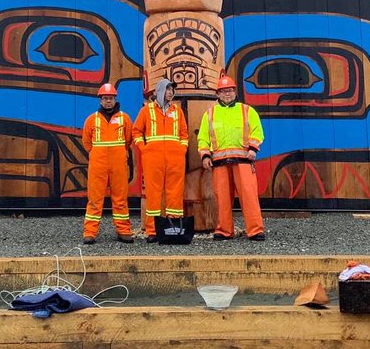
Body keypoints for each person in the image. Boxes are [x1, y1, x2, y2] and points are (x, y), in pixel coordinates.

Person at [197, 75, 266, 241]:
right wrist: (205, 155)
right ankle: (224, 230)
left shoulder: (247, 110)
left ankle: (255, 230)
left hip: (243, 161)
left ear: (235, 92)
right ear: (218, 94)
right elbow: (203, 137)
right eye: (223, 91)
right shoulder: (210, 114)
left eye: (230, 90)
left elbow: (257, 131)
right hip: (219, 163)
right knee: (222, 199)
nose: (227, 94)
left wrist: (253, 148)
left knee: (249, 196)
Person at [132, 77, 189, 241]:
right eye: (168, 89)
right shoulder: (146, 110)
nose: (170, 93)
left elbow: (184, 134)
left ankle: (173, 229)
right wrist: (144, 149)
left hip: (175, 159)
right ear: (160, 91)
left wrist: (181, 149)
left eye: (172, 90)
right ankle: (152, 231)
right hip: (153, 159)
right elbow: (136, 132)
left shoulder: (177, 111)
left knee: (175, 193)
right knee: (153, 193)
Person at [81, 83, 134, 244]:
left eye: (110, 98)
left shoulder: (125, 118)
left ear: (115, 99)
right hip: (98, 166)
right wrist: (99, 155)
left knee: (120, 198)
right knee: (95, 199)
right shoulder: (92, 119)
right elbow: (86, 142)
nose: (108, 101)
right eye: (105, 98)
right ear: (100, 100)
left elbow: (128, 139)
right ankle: (90, 233)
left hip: (118, 165)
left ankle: (123, 231)